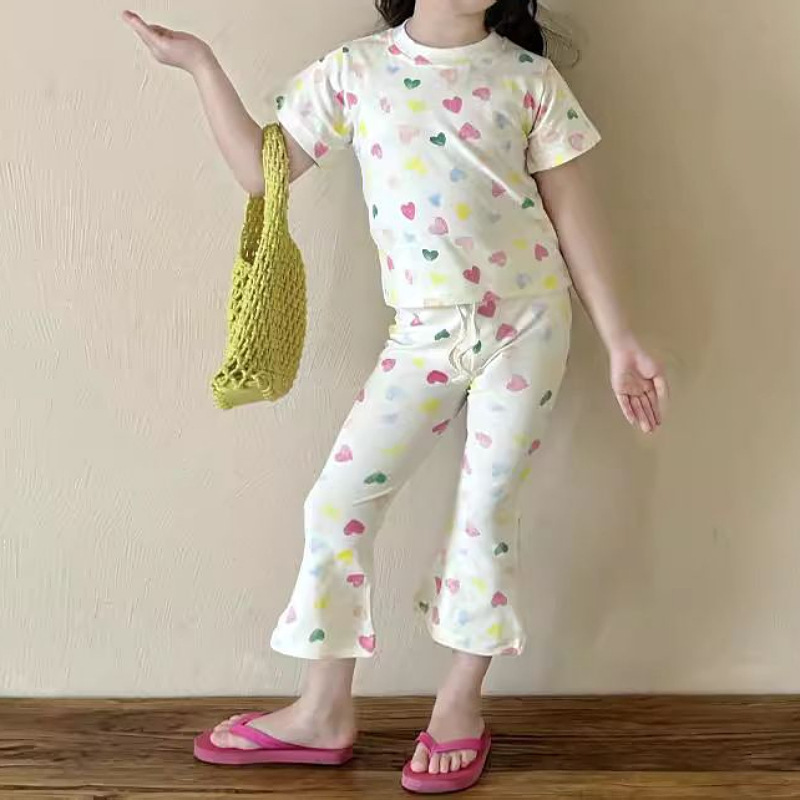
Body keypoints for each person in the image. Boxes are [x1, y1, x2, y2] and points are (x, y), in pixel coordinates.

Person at [123, 0, 668, 793]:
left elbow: (573, 213)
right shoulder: (357, 70)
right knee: (335, 503)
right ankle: (322, 710)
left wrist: (619, 338)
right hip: (419, 335)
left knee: (486, 511)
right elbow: (260, 171)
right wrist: (201, 65)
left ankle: (459, 705)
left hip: (527, 325)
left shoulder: (529, 79)